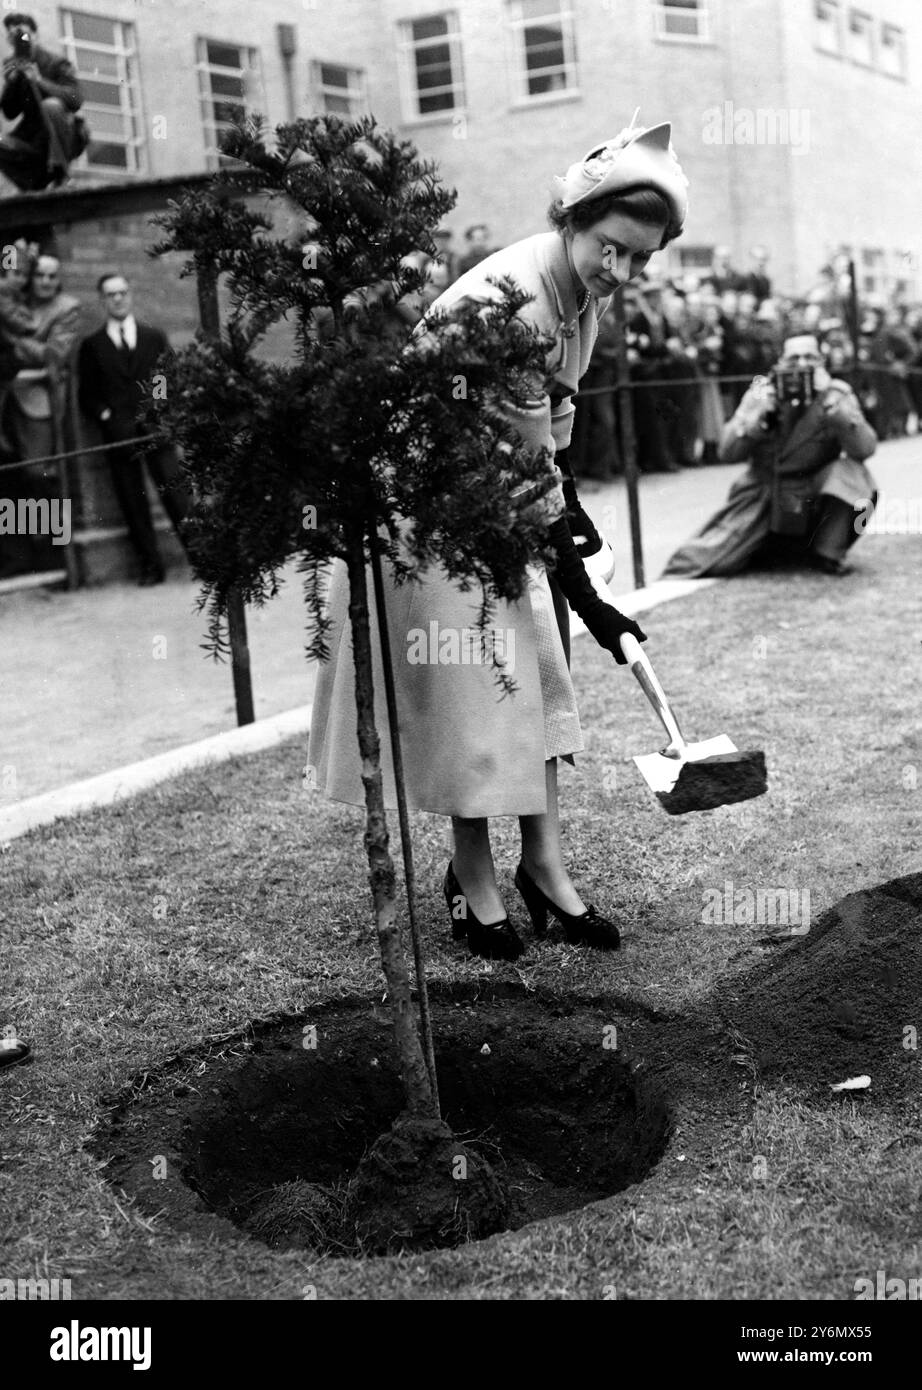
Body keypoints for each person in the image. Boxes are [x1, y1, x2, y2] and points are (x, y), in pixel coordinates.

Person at [309, 121, 689, 960]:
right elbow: (525, 460)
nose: (621, 273)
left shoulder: (577, 294)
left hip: (499, 496)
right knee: (477, 696)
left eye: (640, 259)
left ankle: (544, 867)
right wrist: (587, 592)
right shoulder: (512, 298)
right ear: (571, 219)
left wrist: (572, 517)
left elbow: (552, 420)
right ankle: (472, 880)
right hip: (428, 512)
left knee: (537, 680)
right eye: (611, 249)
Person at [662, 334, 877, 579]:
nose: (802, 364)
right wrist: (760, 417)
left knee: (854, 474)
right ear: (781, 363)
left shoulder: (836, 393)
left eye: (810, 357)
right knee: (703, 561)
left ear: (821, 362)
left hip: (811, 488)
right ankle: (764, 549)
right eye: (794, 358)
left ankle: (828, 553)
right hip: (765, 492)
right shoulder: (762, 391)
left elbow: (865, 449)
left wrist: (835, 410)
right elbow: (727, 451)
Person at [77, 272, 189, 586]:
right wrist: (107, 415)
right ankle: (151, 568)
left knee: (177, 493)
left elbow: (166, 378)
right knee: (132, 501)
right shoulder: (93, 345)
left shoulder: (153, 337)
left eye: (122, 292)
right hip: (119, 434)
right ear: (102, 300)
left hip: (155, 428)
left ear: (130, 294)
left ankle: (201, 557)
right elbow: (87, 395)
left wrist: (158, 408)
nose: (118, 298)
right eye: (110, 294)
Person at [0, 252, 79, 575]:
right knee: (12, 477)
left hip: (40, 402)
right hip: (10, 401)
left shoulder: (67, 308)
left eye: (51, 276)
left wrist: (13, 341)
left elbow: (53, 354)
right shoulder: (20, 304)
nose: (45, 281)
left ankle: (54, 552)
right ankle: (20, 556)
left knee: (40, 474)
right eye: (39, 275)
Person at [0, 12, 85, 192]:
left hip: (65, 133)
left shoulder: (56, 62)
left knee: (51, 105)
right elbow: (9, 113)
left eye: (21, 33)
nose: (17, 38)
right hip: (33, 137)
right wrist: (11, 83)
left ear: (35, 35)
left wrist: (39, 80)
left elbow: (76, 100)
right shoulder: (13, 64)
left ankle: (59, 174)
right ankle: (31, 186)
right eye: (11, 34)